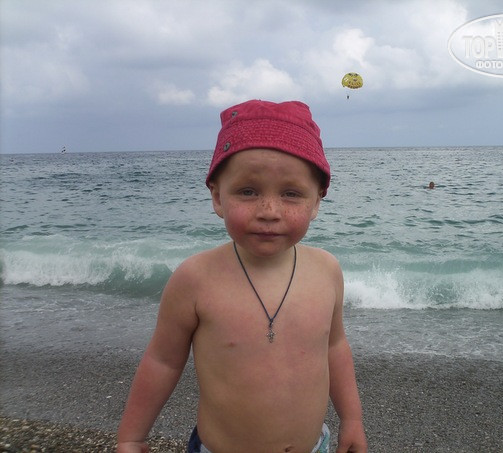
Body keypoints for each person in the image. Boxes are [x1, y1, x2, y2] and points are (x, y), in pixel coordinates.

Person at [116, 100, 367, 453]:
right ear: (218, 197)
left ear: (316, 202)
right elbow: (162, 361)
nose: (269, 211)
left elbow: (335, 347)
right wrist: (131, 436)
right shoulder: (196, 279)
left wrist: (352, 419)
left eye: (291, 194)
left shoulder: (327, 270)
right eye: (248, 191)